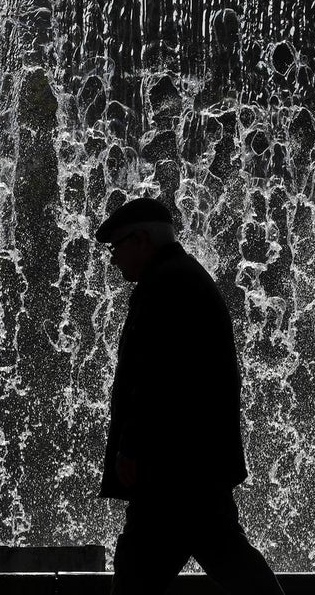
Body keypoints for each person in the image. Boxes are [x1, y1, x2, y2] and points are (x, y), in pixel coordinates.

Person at [96, 197, 285, 595]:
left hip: (171, 468)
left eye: (117, 248)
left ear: (141, 239)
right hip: (193, 464)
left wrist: (132, 444)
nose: (114, 260)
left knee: (139, 575)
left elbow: (158, 376)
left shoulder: (167, 285)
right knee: (227, 557)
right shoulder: (182, 277)